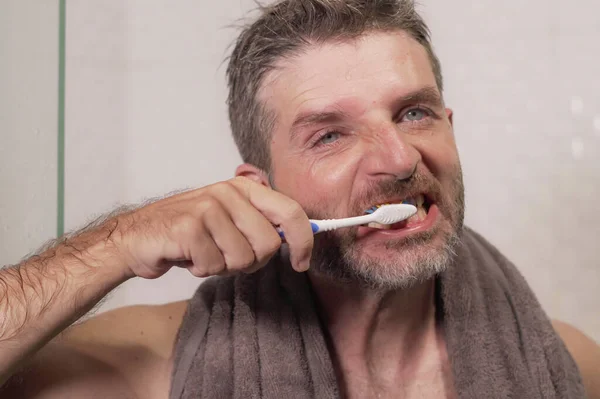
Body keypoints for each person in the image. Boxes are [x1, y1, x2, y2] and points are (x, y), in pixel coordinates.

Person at [1, 0, 599, 398]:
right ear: (258, 189)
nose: (399, 159)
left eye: (414, 112)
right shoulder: (153, 366)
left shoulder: (570, 365)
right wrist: (115, 244)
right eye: (330, 135)